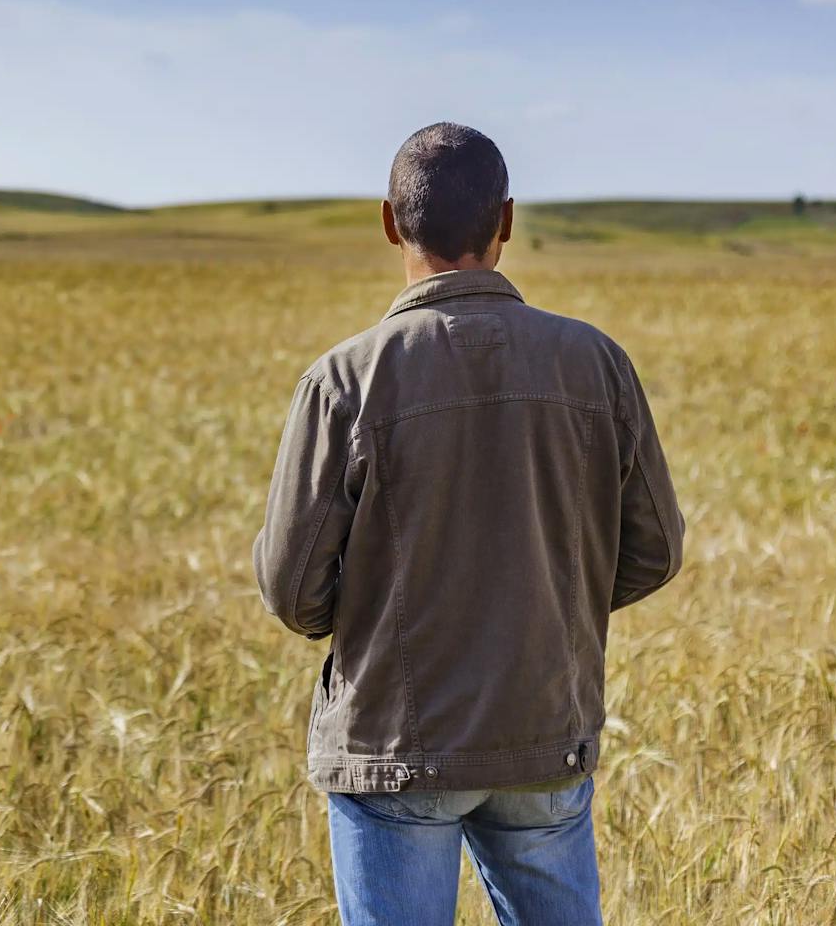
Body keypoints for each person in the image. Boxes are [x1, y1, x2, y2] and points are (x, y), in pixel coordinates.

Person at [252, 122, 685, 925]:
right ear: (507, 222)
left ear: (390, 222)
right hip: (544, 730)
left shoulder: (345, 380)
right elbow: (654, 548)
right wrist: (547, 608)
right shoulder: (596, 363)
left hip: (394, 744)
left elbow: (292, 589)